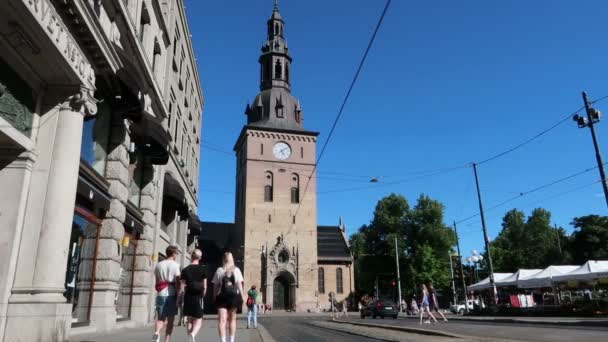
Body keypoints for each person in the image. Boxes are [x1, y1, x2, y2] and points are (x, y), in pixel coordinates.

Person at [213, 251, 244, 342]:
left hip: (221, 297)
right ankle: (231, 340)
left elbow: (216, 286)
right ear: (232, 259)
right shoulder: (236, 270)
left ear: (223, 259)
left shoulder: (219, 270)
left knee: (222, 320)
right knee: (232, 319)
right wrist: (242, 297)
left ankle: (223, 341)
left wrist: (214, 296)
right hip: (233, 297)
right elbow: (239, 285)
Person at [153, 246, 181, 342]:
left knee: (160, 318)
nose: (177, 255)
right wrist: (179, 294)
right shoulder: (175, 265)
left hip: (160, 293)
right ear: (173, 253)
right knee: (170, 320)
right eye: (177, 253)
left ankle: (156, 334)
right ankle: (167, 340)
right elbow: (177, 282)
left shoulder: (158, 265)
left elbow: (157, 283)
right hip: (171, 295)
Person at [179, 249, 207, 342]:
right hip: (198, 297)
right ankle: (193, 334)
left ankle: (190, 338)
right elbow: (205, 286)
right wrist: (203, 295)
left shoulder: (185, 270)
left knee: (190, 319)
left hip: (188, 296)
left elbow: (182, 286)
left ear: (191, 256)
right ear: (200, 258)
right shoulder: (203, 269)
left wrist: (181, 297)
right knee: (199, 319)